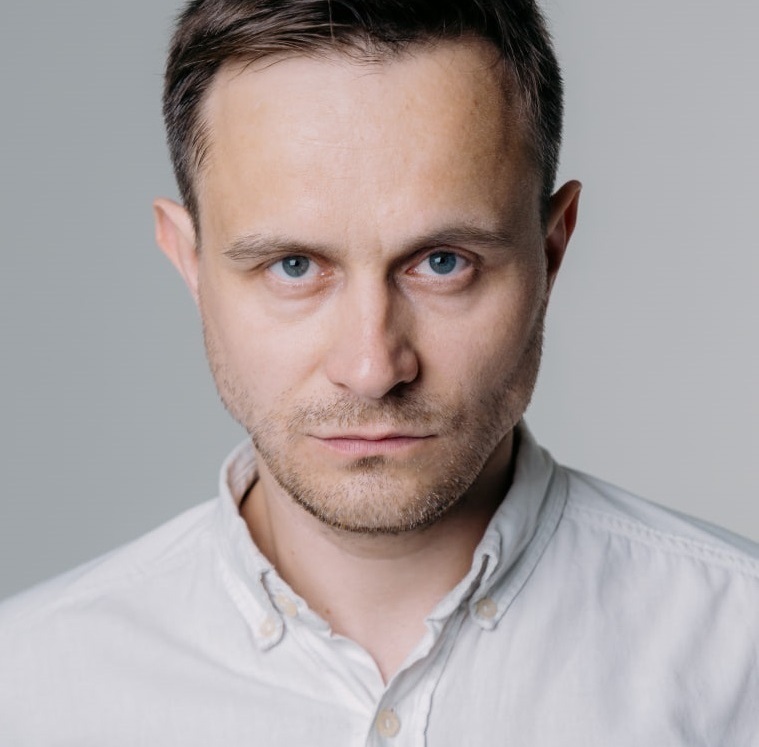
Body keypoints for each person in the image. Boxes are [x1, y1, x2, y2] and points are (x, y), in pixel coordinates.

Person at [0, 0, 757, 743]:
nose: (371, 368)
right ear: (189, 262)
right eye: (293, 266)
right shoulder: (26, 689)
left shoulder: (739, 654)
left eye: (443, 262)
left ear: (550, 251)